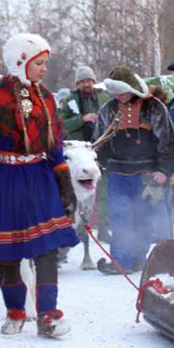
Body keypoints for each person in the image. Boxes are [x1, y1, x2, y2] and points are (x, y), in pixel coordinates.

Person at [0, 34, 79, 338]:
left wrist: (63, 180)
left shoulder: (46, 98)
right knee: (9, 252)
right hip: (7, 178)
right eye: (39, 63)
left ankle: (48, 314)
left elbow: (55, 143)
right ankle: (15, 310)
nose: (44, 69)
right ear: (21, 61)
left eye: (46, 62)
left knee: (47, 248)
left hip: (40, 178)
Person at [94, 65, 174, 275]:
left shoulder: (154, 108)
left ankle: (137, 259)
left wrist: (163, 170)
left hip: (147, 173)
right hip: (117, 173)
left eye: (123, 92)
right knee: (120, 216)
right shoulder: (107, 110)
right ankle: (121, 261)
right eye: (116, 93)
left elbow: (168, 142)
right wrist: (101, 167)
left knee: (143, 218)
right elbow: (98, 142)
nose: (120, 96)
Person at [60, 66, 112, 243]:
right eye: (83, 81)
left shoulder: (104, 97)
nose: (87, 84)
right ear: (77, 83)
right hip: (79, 156)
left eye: (89, 80)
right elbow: (61, 125)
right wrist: (82, 119)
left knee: (104, 191)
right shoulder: (70, 101)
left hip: (101, 150)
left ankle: (104, 228)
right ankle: (77, 231)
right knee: (78, 196)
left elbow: (114, 118)